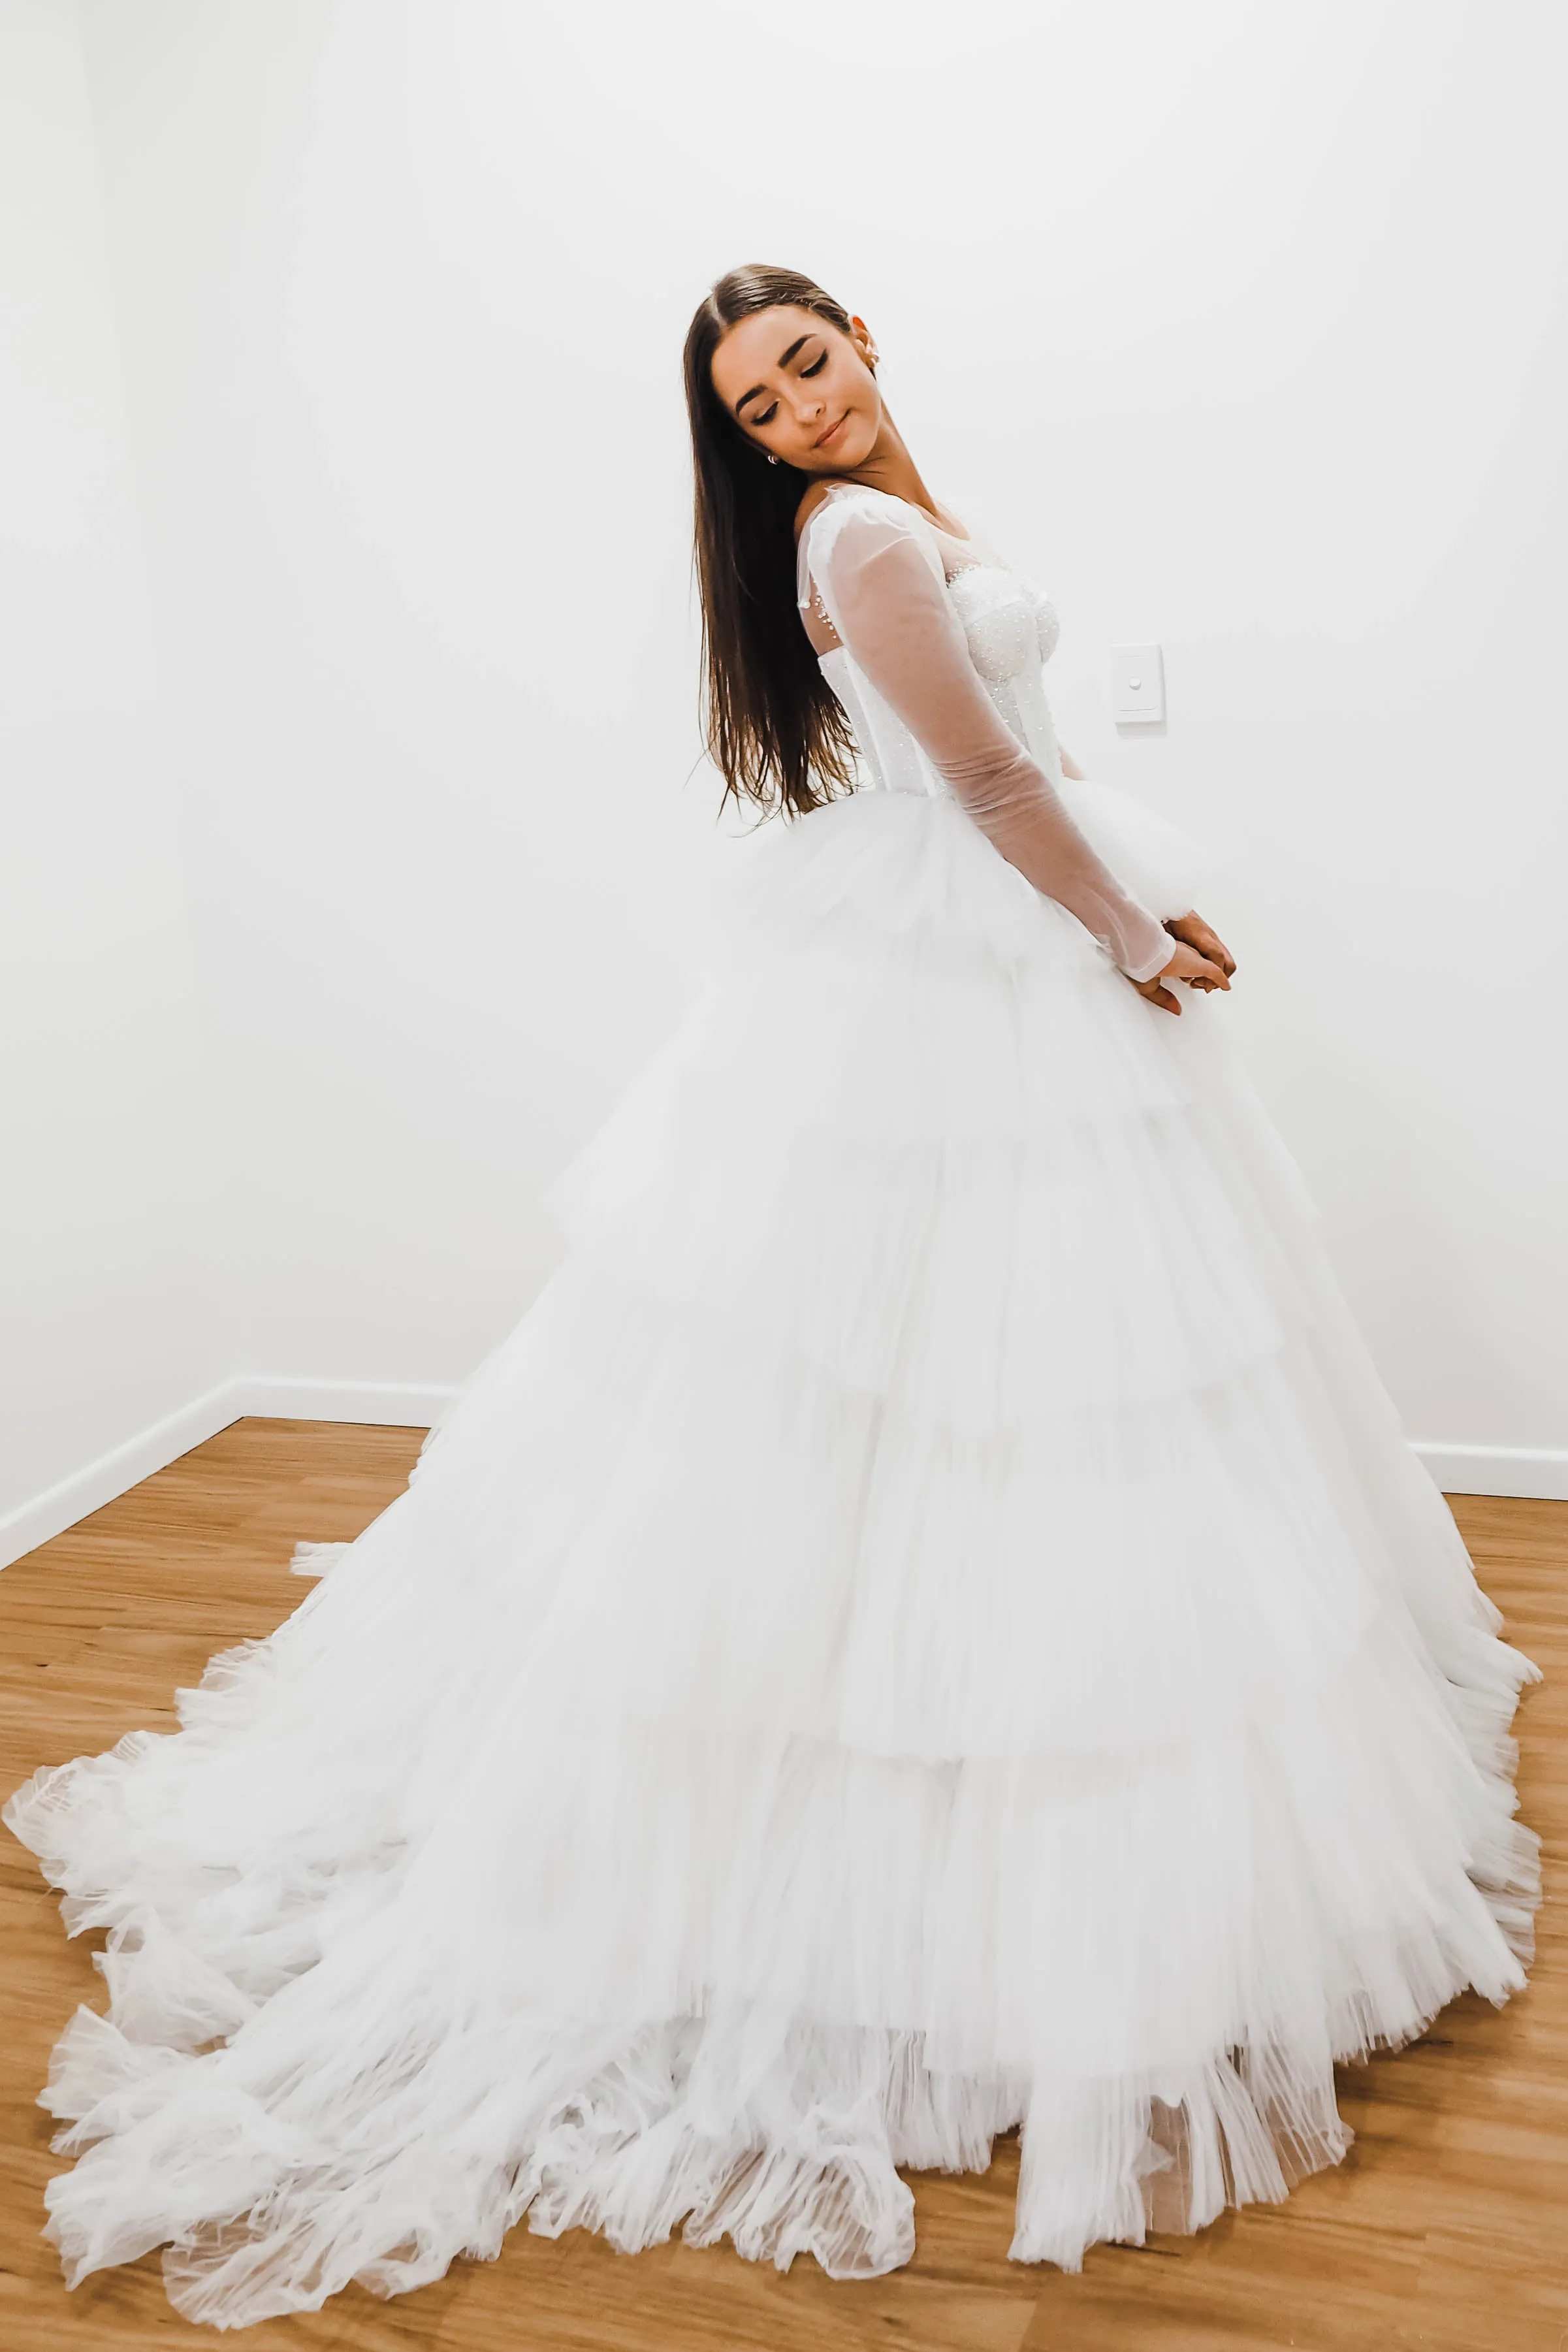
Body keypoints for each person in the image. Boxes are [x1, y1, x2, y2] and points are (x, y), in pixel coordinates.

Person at [5, 263, 1540, 2330]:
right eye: (756, 402)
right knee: (966, 1387)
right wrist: (1129, 937)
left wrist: (1137, 895)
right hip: (978, 953)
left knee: (1036, 1386)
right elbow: (990, 786)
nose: (797, 409)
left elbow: (1030, 754)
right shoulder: (871, 536)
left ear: (867, 342)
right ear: (746, 441)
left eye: (808, 364)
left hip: (998, 936)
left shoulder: (900, 508)